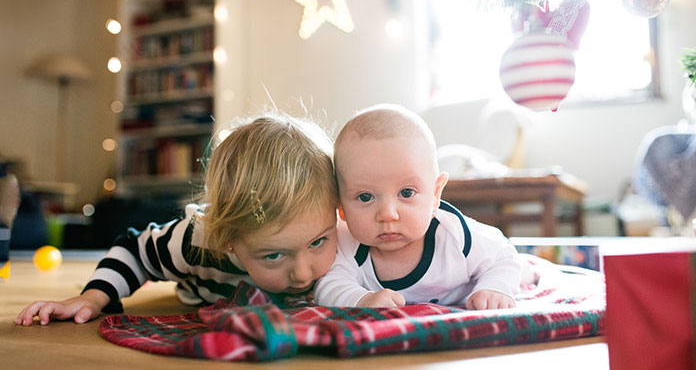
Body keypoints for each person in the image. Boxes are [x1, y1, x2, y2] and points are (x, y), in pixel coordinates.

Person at [16, 112, 340, 326]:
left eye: (318, 242)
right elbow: (133, 251)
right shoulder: (196, 241)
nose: (303, 273)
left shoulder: (344, 236)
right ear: (226, 239)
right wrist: (91, 298)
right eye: (273, 255)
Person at [314, 104, 522, 309]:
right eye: (365, 197)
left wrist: (495, 287)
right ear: (341, 208)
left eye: (406, 193)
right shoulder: (347, 245)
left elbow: (503, 255)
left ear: (435, 194)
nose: (387, 214)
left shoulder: (457, 236)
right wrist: (362, 299)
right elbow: (328, 286)